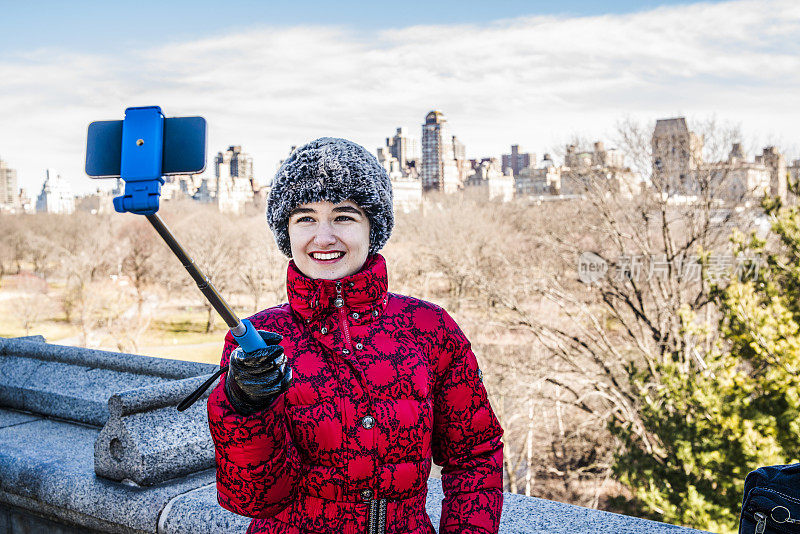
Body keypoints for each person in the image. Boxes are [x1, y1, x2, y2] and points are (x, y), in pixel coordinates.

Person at [207, 137, 504, 534]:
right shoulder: (259, 340)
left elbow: (475, 455)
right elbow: (254, 499)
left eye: (344, 216)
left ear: (372, 227)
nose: (324, 237)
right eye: (306, 218)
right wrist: (244, 407)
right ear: (287, 232)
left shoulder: (430, 327)